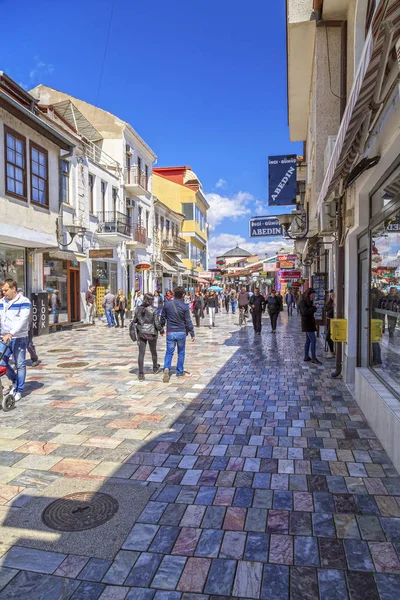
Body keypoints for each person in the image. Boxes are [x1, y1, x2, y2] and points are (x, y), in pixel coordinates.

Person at [0, 279, 31, 402]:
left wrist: (11, 333)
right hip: (3, 337)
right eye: (2, 290)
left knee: (20, 364)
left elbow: (22, 320)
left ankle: (18, 390)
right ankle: (14, 380)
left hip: (19, 338)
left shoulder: (24, 301)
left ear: (13, 289)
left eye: (6, 290)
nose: (3, 292)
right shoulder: (2, 302)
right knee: (1, 362)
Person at [160, 286, 195, 382]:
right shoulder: (184, 306)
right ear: (183, 295)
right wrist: (192, 332)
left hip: (170, 331)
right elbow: (188, 320)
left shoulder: (167, 304)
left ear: (173, 294)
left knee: (169, 352)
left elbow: (162, 318)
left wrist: (161, 329)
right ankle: (179, 371)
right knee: (181, 352)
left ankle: (167, 368)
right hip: (181, 332)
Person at [134, 292, 163, 381]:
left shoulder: (138, 309)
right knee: (153, 351)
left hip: (141, 332)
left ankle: (141, 373)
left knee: (141, 353)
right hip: (151, 332)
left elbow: (135, 320)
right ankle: (155, 367)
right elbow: (157, 323)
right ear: (151, 301)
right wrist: (161, 330)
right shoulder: (154, 310)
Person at [299, 288, 322, 365]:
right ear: (309, 294)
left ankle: (306, 356)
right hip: (307, 323)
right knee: (313, 340)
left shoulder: (309, 301)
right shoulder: (303, 302)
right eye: (312, 295)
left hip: (310, 322)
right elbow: (305, 312)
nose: (313, 296)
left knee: (308, 341)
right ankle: (314, 358)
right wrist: (314, 308)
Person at [325, 289, 335, 359]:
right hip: (328, 321)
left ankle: (332, 352)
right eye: (331, 295)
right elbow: (326, 309)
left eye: (333, 295)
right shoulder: (330, 302)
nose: (332, 297)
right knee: (328, 336)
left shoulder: (337, 303)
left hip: (333, 322)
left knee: (328, 337)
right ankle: (332, 351)